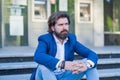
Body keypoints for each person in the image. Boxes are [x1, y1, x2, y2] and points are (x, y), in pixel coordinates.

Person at [30, 11, 99, 80]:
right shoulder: (45, 39)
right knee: (43, 66)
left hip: (65, 75)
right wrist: (62, 64)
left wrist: (86, 65)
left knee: (89, 63)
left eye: (66, 24)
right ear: (52, 28)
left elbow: (92, 54)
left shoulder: (71, 39)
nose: (64, 27)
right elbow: (38, 56)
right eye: (60, 25)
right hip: (47, 75)